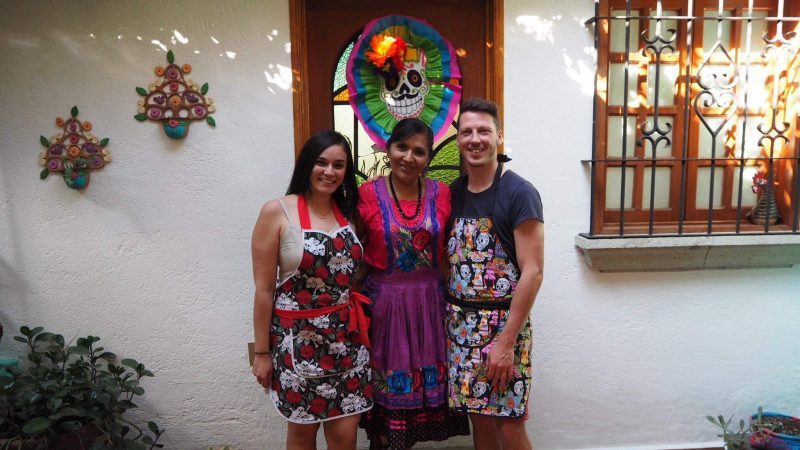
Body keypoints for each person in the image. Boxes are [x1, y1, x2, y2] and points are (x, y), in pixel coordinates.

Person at [251, 130, 373, 450]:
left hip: (346, 342)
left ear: (346, 171)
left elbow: (355, 276)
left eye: (338, 165)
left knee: (345, 437)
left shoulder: (350, 216)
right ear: (307, 164)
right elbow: (264, 291)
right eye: (321, 163)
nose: (329, 172)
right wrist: (262, 353)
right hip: (297, 345)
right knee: (303, 436)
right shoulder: (277, 212)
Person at [357, 118, 470, 449]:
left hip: (429, 307)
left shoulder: (443, 194)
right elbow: (355, 254)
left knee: (417, 401)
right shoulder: (367, 195)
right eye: (402, 147)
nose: (408, 157)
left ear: (429, 157)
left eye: (419, 151)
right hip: (385, 311)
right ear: (389, 148)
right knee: (384, 406)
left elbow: (451, 252)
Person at [445, 98, 544, 450]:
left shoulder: (519, 193)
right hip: (460, 329)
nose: (475, 138)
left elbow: (532, 272)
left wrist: (504, 344)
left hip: (504, 330)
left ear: (499, 137)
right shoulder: (454, 193)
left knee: (510, 425)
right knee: (480, 421)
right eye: (467, 131)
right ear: (458, 138)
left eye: (484, 131)